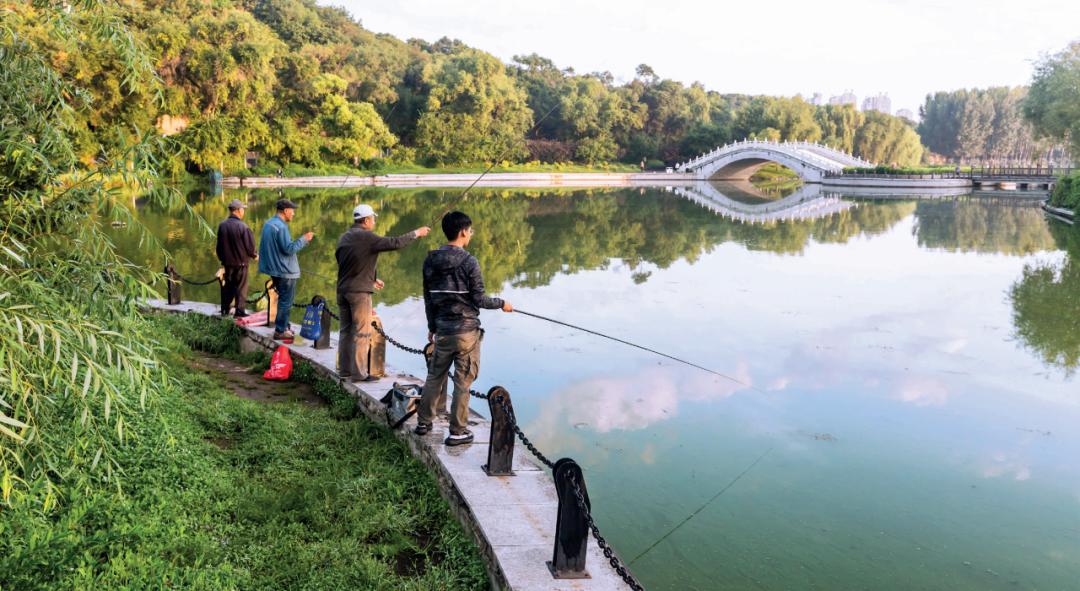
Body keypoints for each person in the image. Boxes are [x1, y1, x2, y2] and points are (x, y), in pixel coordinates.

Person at [414, 211, 512, 446]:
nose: (471, 234)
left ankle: (423, 423)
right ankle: (458, 431)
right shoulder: (469, 262)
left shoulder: (430, 260)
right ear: (463, 232)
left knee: (434, 377)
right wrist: (502, 304)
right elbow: (479, 299)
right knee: (462, 382)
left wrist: (432, 326)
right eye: (470, 230)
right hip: (466, 332)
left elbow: (428, 298)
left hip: (443, 331)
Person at [335, 204, 430, 382]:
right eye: (373, 218)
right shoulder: (367, 236)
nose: (374, 221)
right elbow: (394, 243)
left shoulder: (344, 237)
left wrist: (372, 278)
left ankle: (345, 371)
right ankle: (359, 374)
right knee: (362, 332)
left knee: (346, 331)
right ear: (365, 220)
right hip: (359, 293)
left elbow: (351, 262)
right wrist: (416, 233)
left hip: (342, 290)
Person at [258, 198, 314, 340]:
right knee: (285, 301)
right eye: (292, 211)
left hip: (274, 270)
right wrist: (304, 239)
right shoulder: (281, 227)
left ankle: (284, 326)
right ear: (285, 211)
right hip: (285, 272)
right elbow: (289, 249)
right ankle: (280, 331)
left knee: (283, 299)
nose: (293, 213)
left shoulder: (268, 224)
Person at [215, 198, 257, 317]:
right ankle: (239, 311)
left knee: (228, 286)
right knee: (241, 287)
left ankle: (225, 309)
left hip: (227, 263)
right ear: (238, 211)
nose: (243, 211)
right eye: (243, 209)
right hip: (241, 263)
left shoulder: (222, 226)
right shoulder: (243, 227)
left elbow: (219, 247)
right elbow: (250, 248)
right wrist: (255, 255)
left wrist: (223, 259)